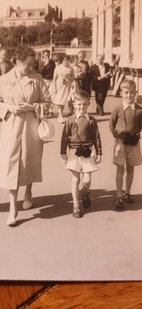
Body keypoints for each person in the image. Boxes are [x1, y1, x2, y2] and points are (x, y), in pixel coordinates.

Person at [0, 46, 50, 226]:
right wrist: (10, 108)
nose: (31, 67)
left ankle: (28, 191)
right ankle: (12, 208)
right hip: (11, 126)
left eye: (33, 64)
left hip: (31, 126)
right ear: (17, 62)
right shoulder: (4, 80)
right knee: (11, 163)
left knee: (29, 161)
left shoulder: (38, 79)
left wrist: (32, 107)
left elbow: (47, 102)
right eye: (27, 64)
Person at [60, 90, 102, 218]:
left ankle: (85, 193)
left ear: (88, 104)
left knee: (87, 180)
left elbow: (97, 137)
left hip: (88, 152)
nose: (81, 107)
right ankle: (76, 206)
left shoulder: (92, 121)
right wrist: (63, 152)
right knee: (76, 179)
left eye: (84, 104)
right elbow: (64, 137)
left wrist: (99, 152)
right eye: (79, 104)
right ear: (74, 104)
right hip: (73, 152)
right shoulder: (70, 120)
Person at [109, 79, 142, 210]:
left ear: (136, 93)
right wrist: (118, 136)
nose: (129, 95)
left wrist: (136, 135)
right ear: (121, 93)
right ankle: (119, 195)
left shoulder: (139, 110)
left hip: (133, 144)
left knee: (130, 168)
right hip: (120, 143)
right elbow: (112, 124)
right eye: (126, 92)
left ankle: (127, 193)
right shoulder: (117, 109)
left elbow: (140, 125)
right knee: (120, 169)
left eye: (132, 92)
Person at [52, 55, 74, 122]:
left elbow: (72, 78)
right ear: (62, 60)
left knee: (64, 101)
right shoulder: (58, 68)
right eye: (65, 60)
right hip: (59, 85)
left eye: (67, 60)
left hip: (67, 86)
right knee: (60, 101)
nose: (66, 62)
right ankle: (60, 115)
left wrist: (69, 81)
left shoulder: (70, 68)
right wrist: (55, 88)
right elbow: (54, 78)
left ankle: (60, 115)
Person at [40, 49, 55, 117]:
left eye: (48, 55)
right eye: (45, 55)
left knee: (51, 95)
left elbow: (54, 71)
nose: (47, 56)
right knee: (44, 96)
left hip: (51, 80)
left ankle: (50, 111)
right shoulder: (41, 62)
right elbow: (40, 72)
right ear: (43, 55)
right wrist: (45, 65)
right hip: (44, 80)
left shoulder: (52, 63)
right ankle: (44, 111)